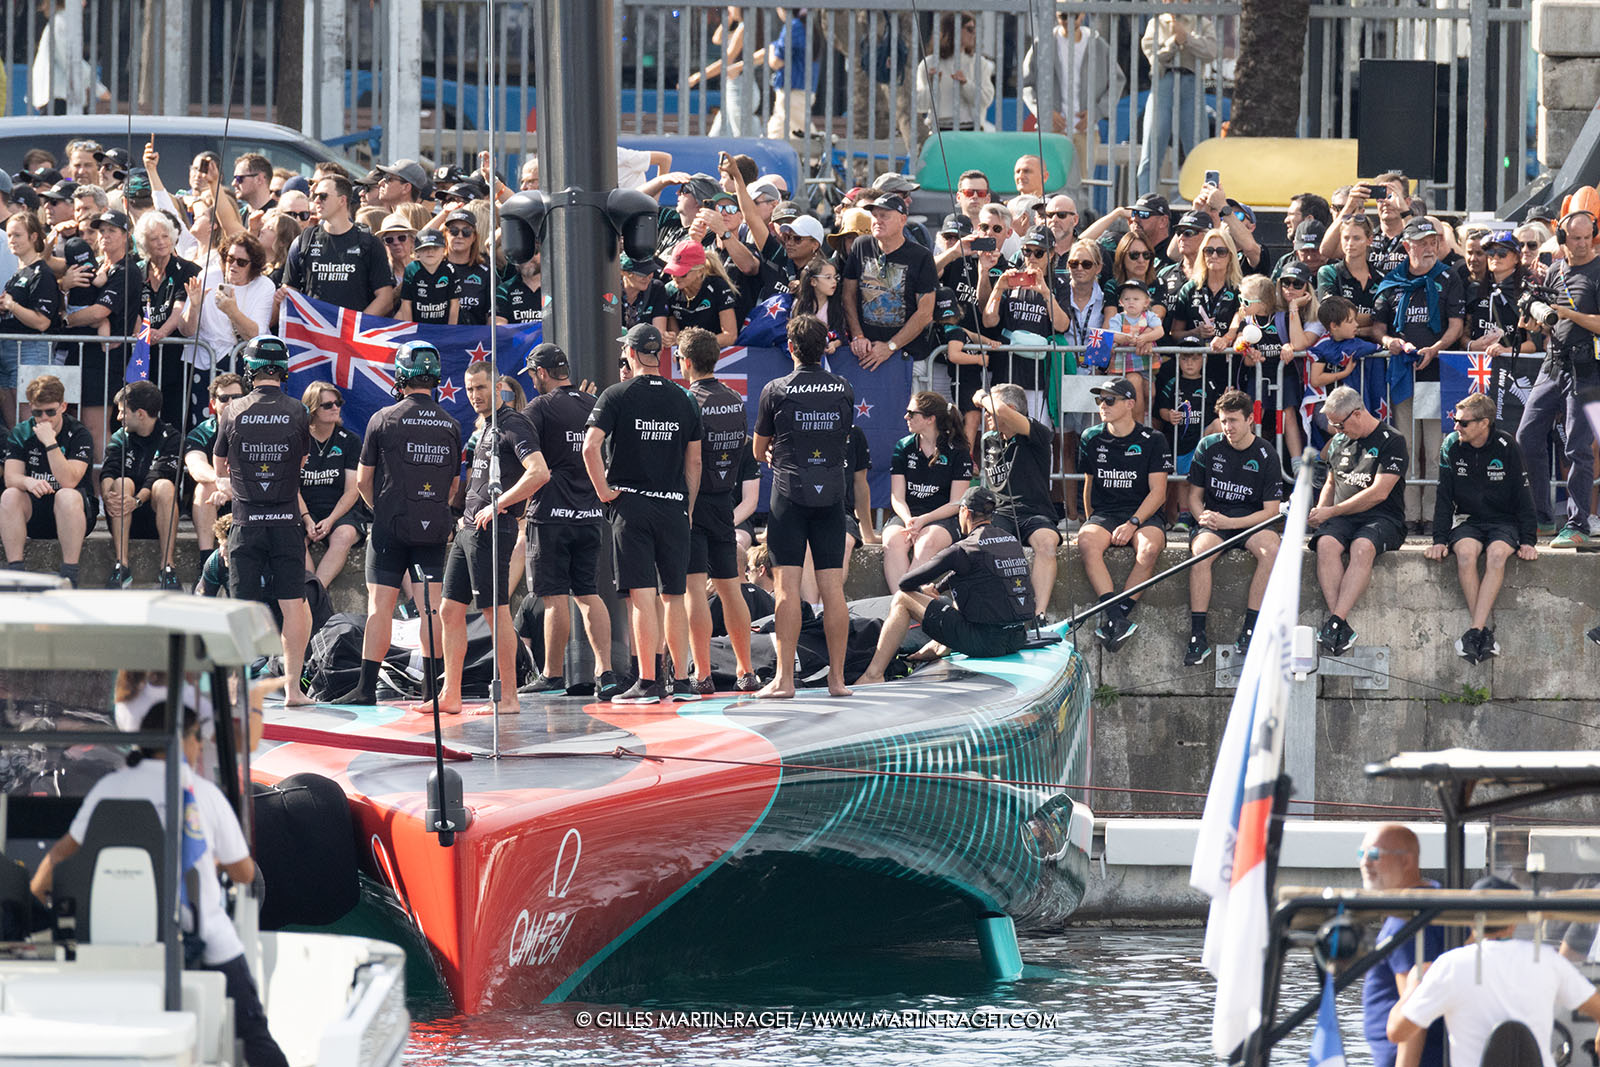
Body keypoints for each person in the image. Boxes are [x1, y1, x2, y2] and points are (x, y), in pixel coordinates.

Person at [29, 702, 289, 1067]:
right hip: (201, 938)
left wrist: (38, 892)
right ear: (183, 740)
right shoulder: (202, 793)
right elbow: (245, 874)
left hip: (110, 939)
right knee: (254, 1035)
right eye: (198, 738)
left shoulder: (109, 788)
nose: (200, 746)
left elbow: (61, 854)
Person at [583, 323, 703, 704]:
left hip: (631, 504)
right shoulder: (685, 399)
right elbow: (695, 461)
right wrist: (688, 505)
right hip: (673, 504)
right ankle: (682, 681)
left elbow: (589, 447)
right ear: (660, 355)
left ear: (632, 354)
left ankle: (649, 682)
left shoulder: (616, 394)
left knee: (642, 595)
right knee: (675, 594)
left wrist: (604, 493)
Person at [334, 342, 460, 706]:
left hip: (390, 526)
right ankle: (431, 690)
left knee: (380, 608)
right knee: (430, 609)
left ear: (401, 376)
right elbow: (453, 486)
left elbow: (362, 480)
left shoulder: (383, 418)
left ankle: (365, 688)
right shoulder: (451, 424)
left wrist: (382, 510)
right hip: (433, 526)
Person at [1389, 874, 1600, 1067]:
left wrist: (1413, 983)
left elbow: (1397, 1031)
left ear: (1471, 920)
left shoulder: (1450, 965)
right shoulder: (1547, 959)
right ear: (1516, 920)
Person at [751, 314, 855, 699]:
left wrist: (776, 454)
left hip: (789, 496)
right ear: (824, 347)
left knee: (786, 590)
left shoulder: (775, 389)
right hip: (830, 496)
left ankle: (785, 680)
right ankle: (838, 680)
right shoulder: (843, 387)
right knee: (833, 590)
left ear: (791, 349)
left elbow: (758, 449)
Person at [439, 361, 546, 716]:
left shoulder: (514, 424)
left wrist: (500, 503)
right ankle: (449, 693)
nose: (474, 396)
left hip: (492, 530)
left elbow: (539, 472)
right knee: (449, 610)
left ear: (497, 386)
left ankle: (509, 697)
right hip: (467, 528)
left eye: (481, 388)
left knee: (493, 612)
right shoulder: (483, 426)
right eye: (469, 389)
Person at [213, 336, 313, 705]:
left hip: (246, 520)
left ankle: (236, 689)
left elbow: (220, 465)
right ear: (283, 368)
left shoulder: (232, 409)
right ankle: (292, 689)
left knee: (240, 608)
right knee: (293, 606)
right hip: (286, 520)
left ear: (250, 368)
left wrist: (234, 485)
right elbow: (302, 461)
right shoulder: (298, 410)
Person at [856, 485, 1034, 685]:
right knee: (969, 589)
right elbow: (974, 573)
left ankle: (873, 675)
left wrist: (924, 590)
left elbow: (906, 582)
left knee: (902, 598)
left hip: (985, 644)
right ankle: (941, 646)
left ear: (964, 512)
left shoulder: (963, 549)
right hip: (1018, 638)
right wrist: (938, 588)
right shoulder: (1010, 540)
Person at [520, 343, 618, 699]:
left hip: (550, 516)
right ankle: (605, 671)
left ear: (542, 373)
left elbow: (522, 455)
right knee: (589, 594)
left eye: (533, 375)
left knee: (554, 598)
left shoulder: (539, 407)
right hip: (591, 513)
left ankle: (552, 674)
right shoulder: (594, 405)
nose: (532, 382)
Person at [1426, 392, 1538, 663]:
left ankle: (1474, 630)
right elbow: (1443, 496)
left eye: (1463, 423)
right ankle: (1482, 632)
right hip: (1468, 520)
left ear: (1484, 423)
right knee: (1465, 554)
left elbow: (1525, 495)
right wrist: (1439, 539)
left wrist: (1528, 541)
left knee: (1498, 554)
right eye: (1455, 420)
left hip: (1504, 520)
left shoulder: (1507, 445)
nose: (1456, 427)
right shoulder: (1451, 445)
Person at [676, 328, 759, 694]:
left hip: (694, 504)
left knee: (695, 590)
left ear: (688, 362)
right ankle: (746, 671)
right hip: (724, 502)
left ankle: (703, 674)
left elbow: (688, 459)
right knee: (731, 589)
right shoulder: (734, 399)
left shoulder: (686, 400)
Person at [1374, 216, 1466, 533]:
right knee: (1407, 446)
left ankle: (1434, 513)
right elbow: (1378, 327)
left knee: (1435, 446)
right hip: (1404, 374)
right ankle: (1409, 513)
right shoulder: (1392, 280)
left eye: (1433, 242)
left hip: (1438, 373)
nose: (1429, 248)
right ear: (1406, 246)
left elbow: (1456, 324)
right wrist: (1390, 342)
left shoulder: (1449, 277)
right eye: (1422, 243)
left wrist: (1437, 348)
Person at [1517, 210, 1600, 547]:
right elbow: (1548, 323)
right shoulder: (1555, 270)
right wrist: (1534, 321)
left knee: (1577, 445)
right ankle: (1541, 517)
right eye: (1574, 238)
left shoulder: (1597, 270)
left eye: (1586, 237)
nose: (1581, 245)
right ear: (1562, 237)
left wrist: (1569, 314)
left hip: (1588, 368)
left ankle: (1578, 524)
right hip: (1553, 363)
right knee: (1526, 435)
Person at [1184, 389, 1283, 665]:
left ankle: (1250, 630)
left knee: (1272, 551)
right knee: (1200, 553)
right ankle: (1198, 635)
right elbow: (1193, 496)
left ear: (1250, 419)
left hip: (1250, 521)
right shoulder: (1209, 446)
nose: (1227, 427)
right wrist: (1202, 516)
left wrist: (1232, 523)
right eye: (1223, 421)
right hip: (1216, 520)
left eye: (1233, 421)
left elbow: (1271, 512)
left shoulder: (1266, 453)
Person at [1309, 385, 1408, 656]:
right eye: (1332, 425)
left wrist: (1333, 511)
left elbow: (1379, 493)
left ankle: (1335, 621)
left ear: (1356, 414)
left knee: (1362, 547)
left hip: (1383, 517)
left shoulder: (1392, 439)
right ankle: (1338, 623)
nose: (1336, 431)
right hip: (1341, 516)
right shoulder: (1340, 440)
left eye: (1339, 424)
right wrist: (1320, 510)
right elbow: (1331, 480)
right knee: (1326, 545)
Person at [1077, 377, 1172, 651]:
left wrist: (1133, 523)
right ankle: (1117, 618)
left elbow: (1159, 493)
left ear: (1130, 404)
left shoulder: (1153, 439)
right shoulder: (1091, 437)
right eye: (1099, 400)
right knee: (1086, 542)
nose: (1102, 406)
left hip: (1143, 513)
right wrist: (1087, 521)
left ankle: (1117, 616)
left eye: (1110, 400)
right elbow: (1089, 484)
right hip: (1106, 512)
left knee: (1149, 549)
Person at [1354, 824, 1446, 1067]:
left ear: (1406, 861)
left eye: (1374, 855)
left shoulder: (1406, 920)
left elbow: (1414, 1010)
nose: (1365, 863)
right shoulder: (1436, 898)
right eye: (1361, 854)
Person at [973, 382, 1061, 624]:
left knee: (1047, 544)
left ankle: (1038, 615)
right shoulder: (989, 440)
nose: (987, 416)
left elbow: (1000, 411)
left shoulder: (1037, 432)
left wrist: (982, 397)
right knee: (985, 544)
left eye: (989, 411)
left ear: (1010, 409)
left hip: (1035, 512)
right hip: (1001, 513)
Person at [0, 374, 96, 586]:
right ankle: (16, 573)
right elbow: (10, 477)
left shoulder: (79, 433)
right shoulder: (21, 432)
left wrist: (50, 444)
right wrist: (27, 482)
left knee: (67, 495)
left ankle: (70, 574)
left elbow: (69, 480)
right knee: (10, 495)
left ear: (63, 406)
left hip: (73, 514)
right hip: (35, 510)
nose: (44, 418)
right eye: (37, 412)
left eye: (50, 412)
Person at [1022, 11, 1125, 197]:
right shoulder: (1043, 42)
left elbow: (1118, 81)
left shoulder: (1097, 43)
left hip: (1085, 128)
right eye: (1063, 16)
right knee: (1047, 183)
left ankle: (1078, 223)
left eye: (1074, 15)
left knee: (1082, 186)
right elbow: (1026, 84)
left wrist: (1096, 111)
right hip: (1051, 129)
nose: (1069, 20)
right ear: (1055, 14)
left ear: (1083, 14)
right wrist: (1044, 112)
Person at [883, 391, 973, 591]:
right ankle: (902, 605)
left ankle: (904, 605)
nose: (906, 417)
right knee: (892, 541)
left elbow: (957, 502)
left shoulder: (958, 450)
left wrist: (923, 520)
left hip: (943, 515)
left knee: (926, 542)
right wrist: (908, 519)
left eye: (911, 413)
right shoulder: (904, 447)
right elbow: (897, 496)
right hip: (909, 513)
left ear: (930, 419)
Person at [100, 380, 182, 590]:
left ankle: (167, 567)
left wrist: (136, 501)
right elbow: (108, 470)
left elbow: (158, 474)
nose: (118, 418)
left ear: (141, 414)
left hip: (157, 515)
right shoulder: (121, 437)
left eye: (122, 412)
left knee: (164, 486)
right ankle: (122, 565)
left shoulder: (172, 438)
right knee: (121, 482)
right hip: (122, 514)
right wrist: (108, 495)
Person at [841, 194, 938, 372]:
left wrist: (890, 347)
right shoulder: (860, 246)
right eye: (874, 215)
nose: (878, 220)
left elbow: (925, 313)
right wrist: (857, 336)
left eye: (884, 215)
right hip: (865, 354)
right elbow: (848, 295)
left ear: (902, 220)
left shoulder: (921, 256)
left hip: (908, 357)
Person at [193, 232, 273, 430]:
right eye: (230, 258)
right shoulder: (208, 276)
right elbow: (186, 331)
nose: (233, 265)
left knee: (241, 424)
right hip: (205, 363)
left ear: (253, 266)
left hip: (242, 366)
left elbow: (255, 335)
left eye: (241, 262)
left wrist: (232, 311)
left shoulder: (264, 286)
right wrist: (194, 307)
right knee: (206, 425)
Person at [282, 174, 395, 315]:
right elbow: (290, 291)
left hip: (352, 333)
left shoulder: (369, 242)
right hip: (314, 333)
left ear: (342, 200)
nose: (316, 201)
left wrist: (355, 327)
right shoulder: (304, 241)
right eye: (315, 196)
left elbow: (385, 298)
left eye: (323, 196)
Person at [133, 211, 202, 429]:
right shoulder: (137, 271)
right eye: (154, 238)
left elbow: (178, 309)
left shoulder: (187, 269)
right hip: (144, 358)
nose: (161, 242)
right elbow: (134, 310)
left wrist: (161, 333)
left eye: (165, 236)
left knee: (172, 417)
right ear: (145, 243)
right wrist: (141, 335)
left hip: (176, 359)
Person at [299, 381, 365, 590]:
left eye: (338, 403)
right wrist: (307, 519)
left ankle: (316, 593)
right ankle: (312, 593)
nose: (335, 408)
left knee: (343, 535)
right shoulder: (299, 439)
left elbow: (352, 490)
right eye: (327, 405)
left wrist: (330, 520)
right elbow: (291, 487)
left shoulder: (350, 440)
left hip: (339, 509)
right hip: (303, 508)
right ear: (312, 409)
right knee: (292, 539)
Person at [0, 211, 59, 418]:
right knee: (13, 426)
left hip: (30, 351)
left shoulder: (42, 274)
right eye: (9, 235)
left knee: (30, 421)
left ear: (34, 237)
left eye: (17, 235)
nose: (11, 241)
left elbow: (42, 322)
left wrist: (12, 306)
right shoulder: (17, 273)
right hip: (8, 350)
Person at [185, 372, 245, 553]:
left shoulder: (258, 430)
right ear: (213, 403)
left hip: (246, 496)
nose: (231, 402)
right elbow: (196, 466)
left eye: (237, 397)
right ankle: (206, 559)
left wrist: (233, 489)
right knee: (205, 487)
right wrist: (220, 482)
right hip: (213, 500)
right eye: (224, 398)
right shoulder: (202, 432)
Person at [913, 13, 996, 136]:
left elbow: (986, 101)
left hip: (971, 129)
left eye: (975, 29)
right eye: (969, 29)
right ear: (953, 30)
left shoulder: (979, 63)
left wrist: (966, 84)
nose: (974, 34)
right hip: (938, 131)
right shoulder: (929, 63)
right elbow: (920, 105)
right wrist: (931, 85)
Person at [398, 229, 457, 324]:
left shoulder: (450, 269)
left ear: (444, 250)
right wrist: (409, 330)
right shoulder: (411, 269)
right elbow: (406, 303)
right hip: (418, 327)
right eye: (425, 248)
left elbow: (454, 303)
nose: (430, 252)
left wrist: (450, 330)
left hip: (443, 328)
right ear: (416, 252)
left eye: (435, 248)